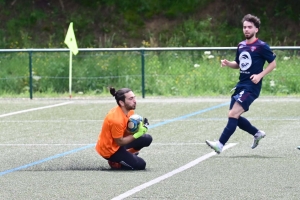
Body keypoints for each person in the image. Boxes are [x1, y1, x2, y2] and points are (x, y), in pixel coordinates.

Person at [205, 14, 276, 154]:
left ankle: (219, 144)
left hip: (252, 87)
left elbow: (273, 64)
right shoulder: (241, 45)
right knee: (234, 117)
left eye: (250, 27)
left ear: (256, 29)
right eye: (244, 27)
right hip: (241, 85)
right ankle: (257, 133)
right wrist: (228, 63)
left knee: (233, 114)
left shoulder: (261, 46)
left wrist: (259, 75)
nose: (246, 30)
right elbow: (238, 64)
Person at [95, 87, 152, 169]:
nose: (135, 101)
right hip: (110, 150)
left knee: (147, 138)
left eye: (134, 97)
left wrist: (139, 127)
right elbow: (120, 142)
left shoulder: (130, 111)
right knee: (141, 165)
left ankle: (128, 154)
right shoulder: (116, 120)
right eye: (131, 99)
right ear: (121, 102)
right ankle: (115, 163)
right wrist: (138, 133)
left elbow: (126, 131)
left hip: (118, 143)